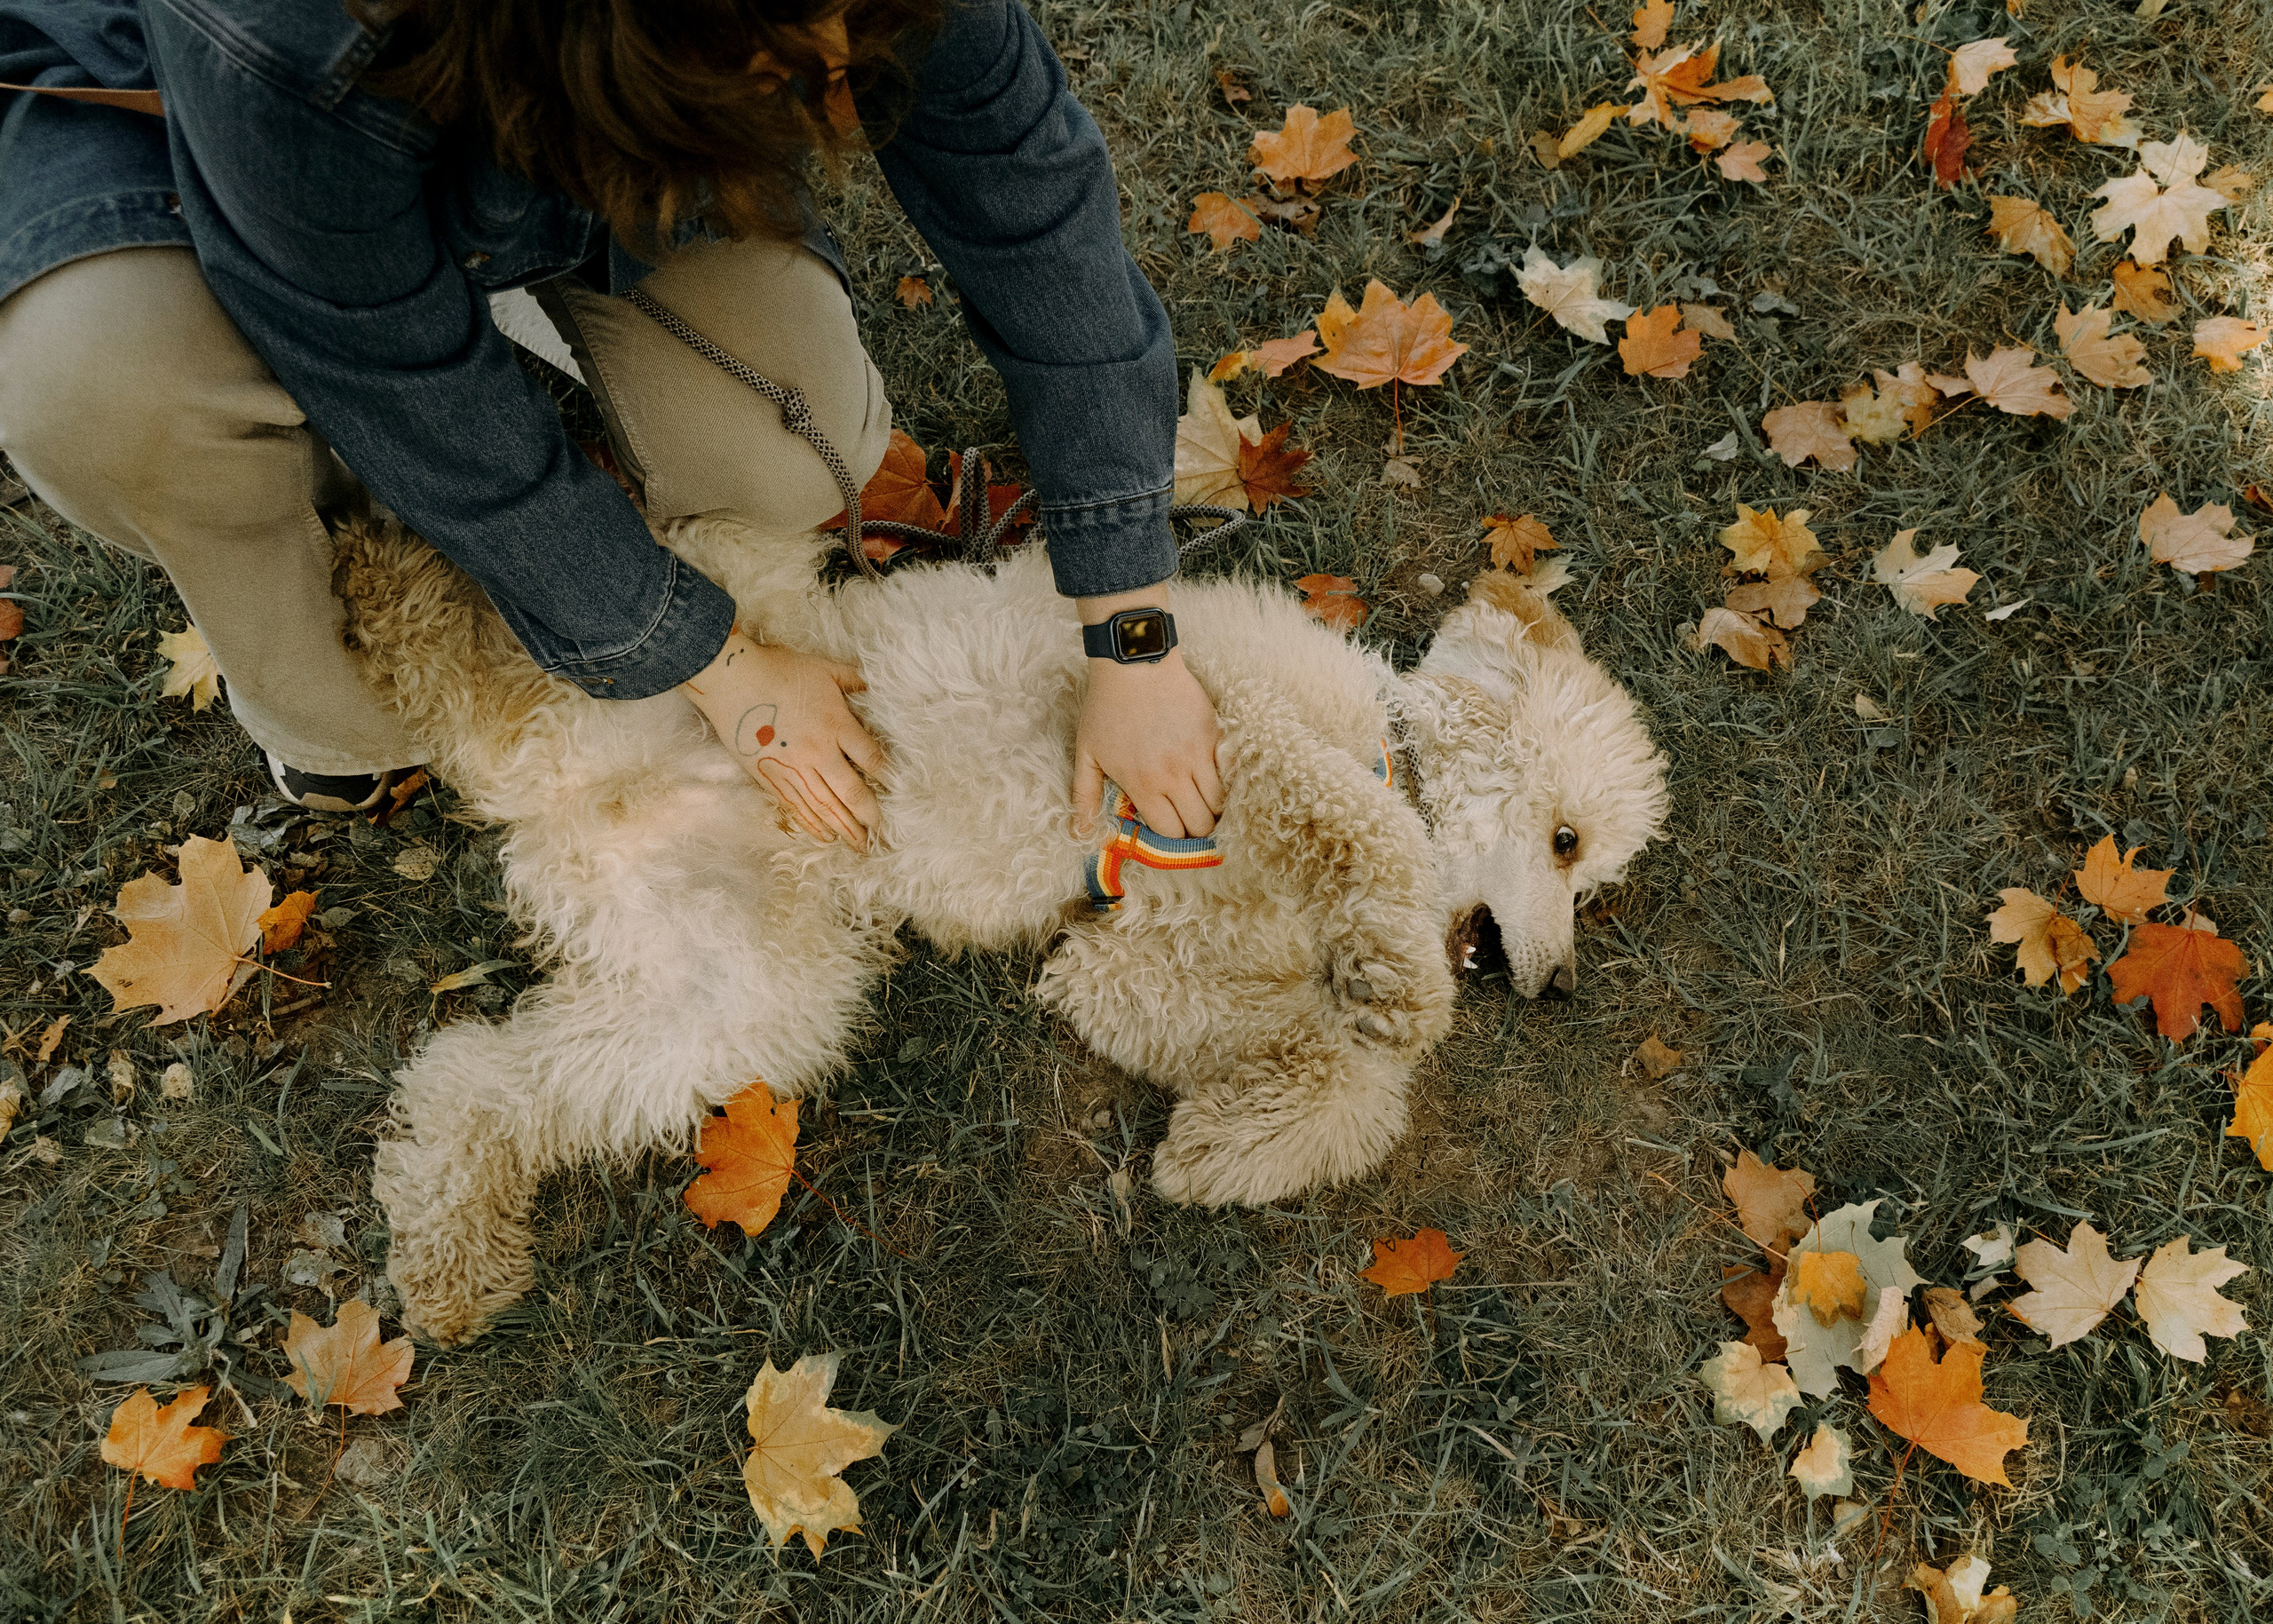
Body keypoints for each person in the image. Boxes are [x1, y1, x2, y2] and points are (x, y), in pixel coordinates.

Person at [0, 0, 1224, 845]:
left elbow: (1023, 177)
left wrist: (1131, 625)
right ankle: (322, 692)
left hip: (597, 121)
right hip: (182, 128)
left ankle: (527, 322)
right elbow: (394, 377)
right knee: (98, 380)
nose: (850, 96)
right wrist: (719, 662)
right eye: (796, 69)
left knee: (793, 452)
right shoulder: (284, 32)